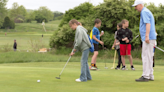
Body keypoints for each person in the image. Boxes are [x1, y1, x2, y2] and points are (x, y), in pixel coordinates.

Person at [132, 0, 157, 82]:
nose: (135, 8)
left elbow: (148, 24)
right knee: (149, 56)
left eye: (136, 6)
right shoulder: (147, 11)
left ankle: (145, 75)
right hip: (150, 37)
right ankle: (150, 75)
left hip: (148, 38)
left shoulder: (144, 12)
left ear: (140, 5)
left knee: (146, 56)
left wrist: (146, 36)